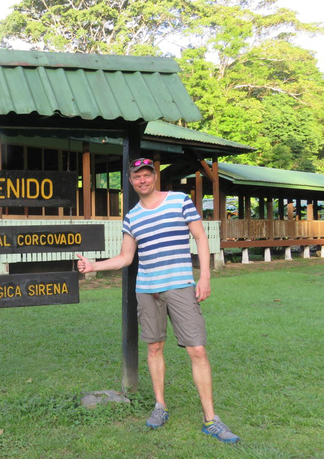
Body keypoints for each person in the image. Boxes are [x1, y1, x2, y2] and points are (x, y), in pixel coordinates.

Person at [76, 158, 241, 444]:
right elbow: (126, 257)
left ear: (154, 177)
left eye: (147, 175)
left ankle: (211, 419)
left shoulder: (179, 201)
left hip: (180, 286)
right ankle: (160, 406)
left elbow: (200, 238)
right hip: (147, 289)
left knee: (197, 350)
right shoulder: (132, 217)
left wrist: (204, 277)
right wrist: (94, 266)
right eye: (137, 177)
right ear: (131, 181)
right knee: (154, 347)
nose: (142, 180)